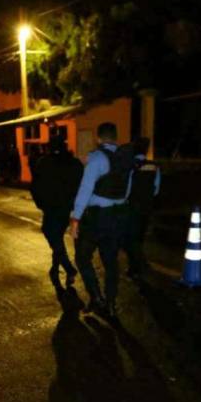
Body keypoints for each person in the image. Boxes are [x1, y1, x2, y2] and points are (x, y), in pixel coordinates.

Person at [69, 122, 135, 317]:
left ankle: (96, 298)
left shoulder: (97, 158)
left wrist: (75, 219)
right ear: (115, 138)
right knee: (110, 261)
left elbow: (85, 189)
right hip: (118, 215)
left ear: (98, 139)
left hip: (97, 218)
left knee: (82, 258)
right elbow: (127, 190)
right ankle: (111, 303)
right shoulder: (126, 158)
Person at [30, 133, 84, 290]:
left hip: (51, 207)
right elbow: (80, 184)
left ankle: (68, 268)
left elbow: (35, 186)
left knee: (50, 234)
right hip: (66, 207)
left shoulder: (44, 163)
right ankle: (55, 268)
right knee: (57, 236)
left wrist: (40, 203)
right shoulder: (74, 163)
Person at [124, 136, 161, 281]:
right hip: (147, 206)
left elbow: (127, 189)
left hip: (133, 206)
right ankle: (140, 266)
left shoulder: (133, 166)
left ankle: (135, 268)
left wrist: (124, 201)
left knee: (130, 240)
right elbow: (156, 189)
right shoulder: (154, 166)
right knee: (139, 237)